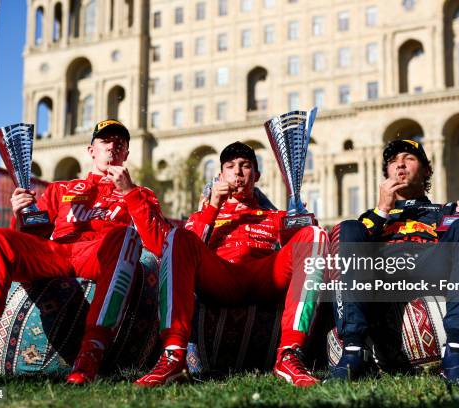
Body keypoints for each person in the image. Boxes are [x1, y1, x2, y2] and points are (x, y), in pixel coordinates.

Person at [0, 119, 165, 386]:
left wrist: (129, 192)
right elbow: (34, 238)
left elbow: (157, 243)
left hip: (101, 254)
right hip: (57, 251)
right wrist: (21, 214)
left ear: (126, 154)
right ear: (91, 150)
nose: (112, 147)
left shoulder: (141, 193)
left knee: (126, 237)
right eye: (105, 141)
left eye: (120, 143)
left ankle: (90, 355)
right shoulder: (61, 189)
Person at [129, 142, 329, 387]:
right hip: (220, 277)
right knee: (177, 237)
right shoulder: (205, 213)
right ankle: (173, 355)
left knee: (316, 235)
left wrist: (303, 218)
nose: (238, 172)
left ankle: (289, 354)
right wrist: (213, 207)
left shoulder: (275, 216)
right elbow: (183, 249)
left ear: (256, 176)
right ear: (220, 175)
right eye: (231, 167)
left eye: (245, 166)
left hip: (265, 278)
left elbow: (303, 251)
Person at [330, 139, 459, 386]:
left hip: (431, 265)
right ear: (386, 173)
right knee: (347, 229)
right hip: (382, 270)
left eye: (409, 158)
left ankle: (457, 353)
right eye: (393, 162)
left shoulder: (447, 210)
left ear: (426, 170)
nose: (400, 165)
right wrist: (382, 210)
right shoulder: (372, 217)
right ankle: (353, 353)